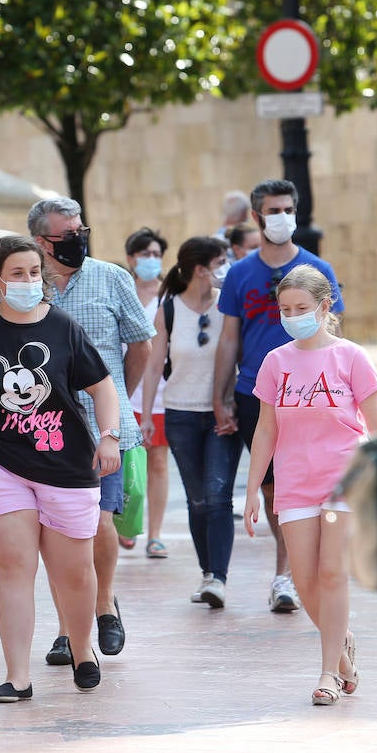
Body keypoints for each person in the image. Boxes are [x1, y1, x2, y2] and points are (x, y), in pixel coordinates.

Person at [0, 236, 122, 702]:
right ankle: (17, 676)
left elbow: (102, 387)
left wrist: (110, 436)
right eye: (17, 274)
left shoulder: (63, 327)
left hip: (65, 465)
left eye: (34, 273)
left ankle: (82, 649)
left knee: (74, 572)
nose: (28, 281)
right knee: (14, 567)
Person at [242, 265, 377, 703]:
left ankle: (327, 674)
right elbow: (266, 429)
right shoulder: (275, 362)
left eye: (301, 308)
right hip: (294, 482)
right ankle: (342, 650)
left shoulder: (351, 357)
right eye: (285, 309)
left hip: (345, 479)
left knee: (331, 573)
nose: (292, 316)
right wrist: (251, 490)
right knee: (304, 581)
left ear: (325, 307)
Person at [31, 198, 152, 663]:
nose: (77, 240)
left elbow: (140, 346)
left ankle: (104, 606)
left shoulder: (112, 277)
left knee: (100, 521)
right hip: (44, 429)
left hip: (104, 429)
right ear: (42, 241)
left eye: (81, 231)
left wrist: (116, 395)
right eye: (66, 235)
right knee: (58, 533)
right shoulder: (26, 284)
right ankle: (67, 628)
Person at [214, 179, 343, 614]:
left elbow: (338, 333)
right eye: (273, 210)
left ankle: (292, 572)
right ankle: (288, 572)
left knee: (307, 481)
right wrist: (221, 396)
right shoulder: (239, 274)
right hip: (257, 392)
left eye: (288, 209)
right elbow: (229, 338)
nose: (282, 217)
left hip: (313, 394)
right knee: (272, 488)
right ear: (256, 217)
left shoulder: (318, 268)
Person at [142, 236, 242, 607]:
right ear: (201, 269)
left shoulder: (228, 305)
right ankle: (206, 573)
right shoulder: (168, 309)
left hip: (222, 414)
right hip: (180, 414)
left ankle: (218, 577)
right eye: (220, 262)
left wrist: (233, 402)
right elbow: (154, 365)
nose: (225, 267)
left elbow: (240, 355)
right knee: (197, 500)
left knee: (218, 496)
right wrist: (148, 416)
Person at [124, 227, 170, 558]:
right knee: (127, 459)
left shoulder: (170, 295)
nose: (151, 260)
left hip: (161, 391)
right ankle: (127, 523)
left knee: (158, 461)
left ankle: (155, 535)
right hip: (125, 388)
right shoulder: (121, 289)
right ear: (131, 259)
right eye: (145, 254)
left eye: (156, 254)